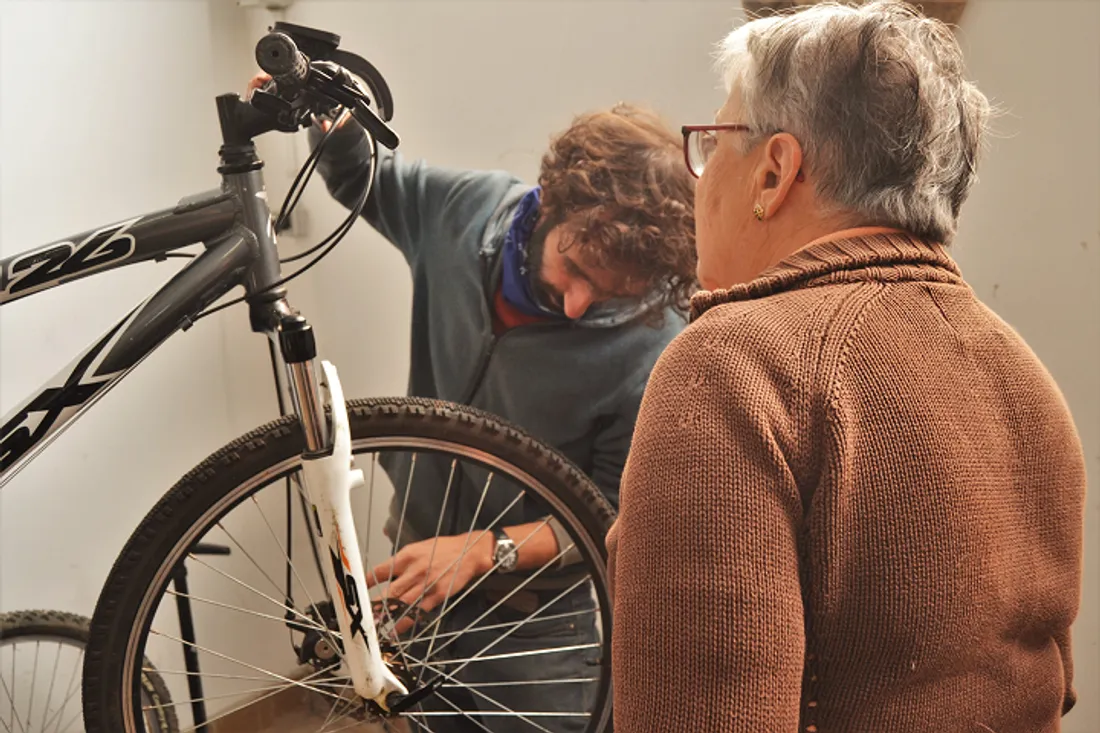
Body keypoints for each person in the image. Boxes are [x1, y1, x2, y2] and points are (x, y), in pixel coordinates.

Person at [606, 2, 1087, 732]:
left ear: (774, 172)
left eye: (713, 141)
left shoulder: (732, 365)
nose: (698, 179)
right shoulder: (1023, 377)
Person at [248, 74, 696, 729]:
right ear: (552, 203)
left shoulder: (657, 345)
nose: (578, 304)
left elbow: (611, 517)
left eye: (608, 293)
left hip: (533, 624)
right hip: (418, 582)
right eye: (573, 269)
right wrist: (330, 118)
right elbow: (366, 178)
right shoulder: (465, 211)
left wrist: (481, 551)